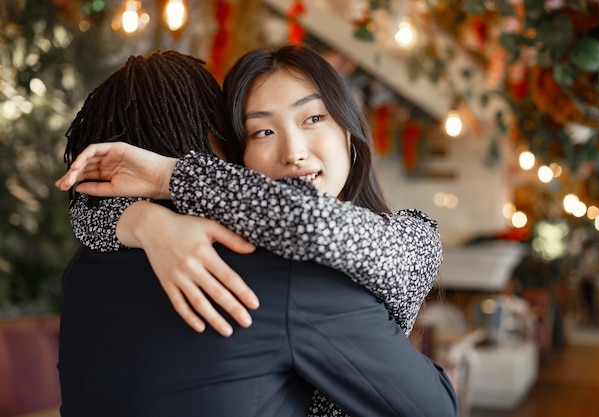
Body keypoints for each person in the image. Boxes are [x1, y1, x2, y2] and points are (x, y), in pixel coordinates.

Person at [57, 47, 456, 417]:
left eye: (313, 117)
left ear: (350, 129)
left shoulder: (82, 273)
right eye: (260, 131)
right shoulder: (283, 274)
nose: (294, 151)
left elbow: (315, 223)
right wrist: (156, 204)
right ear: (226, 147)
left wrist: (154, 199)